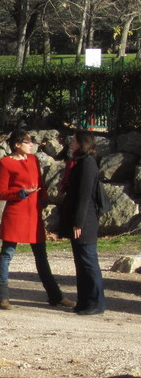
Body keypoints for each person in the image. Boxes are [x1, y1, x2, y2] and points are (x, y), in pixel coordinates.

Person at [0, 129, 73, 310]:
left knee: (41, 256)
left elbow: (41, 183)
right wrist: (21, 193)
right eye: (27, 142)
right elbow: (1, 193)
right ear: (17, 144)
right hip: (16, 214)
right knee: (7, 254)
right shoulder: (5, 163)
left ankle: (55, 296)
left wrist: (43, 200)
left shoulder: (33, 160)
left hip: (34, 214)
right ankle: (2, 296)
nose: (31, 145)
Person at [57, 130, 105, 315]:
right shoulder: (78, 161)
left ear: (83, 143)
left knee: (89, 261)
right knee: (81, 262)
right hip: (78, 220)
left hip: (86, 221)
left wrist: (79, 222)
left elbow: (84, 196)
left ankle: (96, 302)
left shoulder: (88, 163)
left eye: (75, 141)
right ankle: (84, 301)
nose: (72, 143)